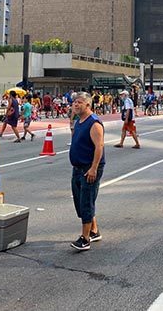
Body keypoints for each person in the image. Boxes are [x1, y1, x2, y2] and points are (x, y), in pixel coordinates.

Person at [69, 92, 105, 251]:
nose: (76, 105)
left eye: (79, 102)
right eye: (74, 102)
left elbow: (99, 147)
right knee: (80, 199)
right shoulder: (79, 121)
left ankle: (85, 238)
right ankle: (94, 230)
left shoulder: (94, 123)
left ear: (88, 105)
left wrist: (93, 168)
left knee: (86, 200)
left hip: (89, 168)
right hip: (77, 167)